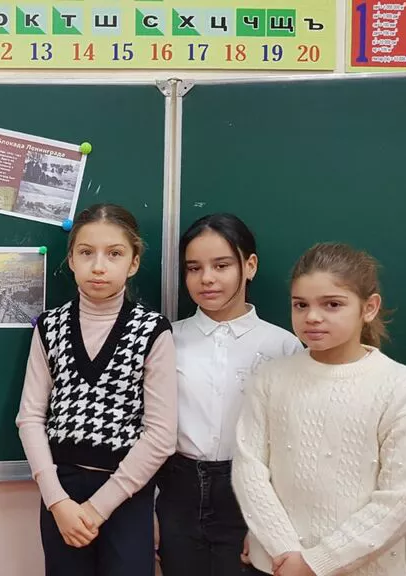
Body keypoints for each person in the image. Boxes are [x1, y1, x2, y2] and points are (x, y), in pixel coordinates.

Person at [232, 242, 406, 576]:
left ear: (369, 308)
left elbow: (401, 498)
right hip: (275, 566)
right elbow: (249, 468)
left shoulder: (399, 386)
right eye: (301, 304)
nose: (312, 316)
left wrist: (315, 563)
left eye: (332, 304)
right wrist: (284, 551)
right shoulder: (270, 377)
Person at [16, 203, 177, 575]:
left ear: (133, 263)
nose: (99, 266)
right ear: (71, 259)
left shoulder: (152, 331)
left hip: (126, 492)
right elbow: (30, 418)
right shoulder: (50, 327)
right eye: (86, 253)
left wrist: (97, 508)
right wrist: (57, 501)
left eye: (114, 254)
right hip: (62, 493)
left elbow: (160, 435)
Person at [156, 214, 302, 576]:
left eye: (221, 265)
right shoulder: (166, 338)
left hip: (249, 493)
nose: (206, 278)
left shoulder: (283, 346)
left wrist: (268, 524)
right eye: (194, 268)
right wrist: (150, 510)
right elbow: (148, 428)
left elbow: (291, 445)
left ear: (249, 266)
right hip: (177, 489)